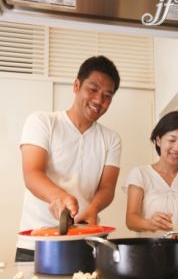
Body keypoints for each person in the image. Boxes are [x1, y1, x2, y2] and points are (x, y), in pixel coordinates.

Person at [16, 55, 121, 261]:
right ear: (76, 85)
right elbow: (32, 173)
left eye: (107, 95)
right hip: (37, 244)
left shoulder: (111, 139)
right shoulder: (42, 122)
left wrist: (93, 209)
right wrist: (58, 197)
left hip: (85, 243)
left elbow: (107, 188)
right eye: (93, 89)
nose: (99, 100)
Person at [123, 111, 178, 241]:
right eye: (172, 140)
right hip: (149, 254)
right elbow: (131, 219)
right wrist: (150, 224)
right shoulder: (140, 174)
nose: (177, 148)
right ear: (158, 140)